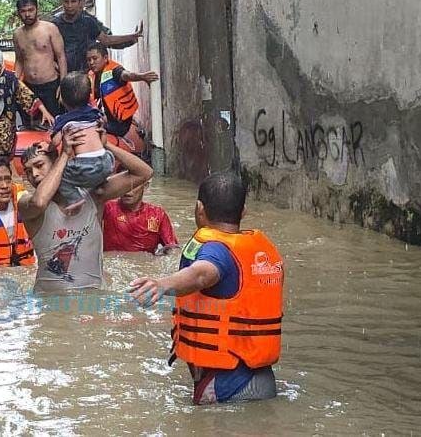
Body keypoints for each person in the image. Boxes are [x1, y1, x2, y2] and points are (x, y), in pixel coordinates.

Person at [128, 172, 284, 405]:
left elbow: (202, 274)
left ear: (199, 208)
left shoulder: (216, 251)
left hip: (228, 388)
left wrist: (162, 284)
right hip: (259, 378)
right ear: (243, 212)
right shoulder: (259, 251)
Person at [16, 129, 153, 292]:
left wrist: (106, 145)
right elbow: (39, 202)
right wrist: (65, 155)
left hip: (93, 299)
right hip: (49, 303)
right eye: (28, 171)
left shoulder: (93, 195)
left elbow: (145, 173)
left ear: (55, 163)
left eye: (39, 166)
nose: (35, 175)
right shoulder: (26, 204)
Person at [49, 72, 114, 209]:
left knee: (59, 175)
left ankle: (75, 199)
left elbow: (55, 142)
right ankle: (100, 185)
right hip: (107, 162)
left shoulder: (63, 120)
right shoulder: (95, 113)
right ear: (89, 95)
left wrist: (48, 149)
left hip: (84, 165)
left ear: (63, 99)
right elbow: (104, 125)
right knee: (101, 158)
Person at [52, 0, 142, 73]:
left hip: (87, 72)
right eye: (66, 2)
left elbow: (106, 40)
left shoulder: (88, 22)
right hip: (62, 73)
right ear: (62, 2)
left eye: (73, 1)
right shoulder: (55, 24)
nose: (69, 5)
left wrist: (131, 37)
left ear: (80, 2)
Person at [86, 42, 159, 137]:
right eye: (89, 60)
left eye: (95, 58)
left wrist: (141, 77)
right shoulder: (92, 75)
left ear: (105, 58)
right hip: (107, 118)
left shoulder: (114, 70)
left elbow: (126, 75)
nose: (91, 62)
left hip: (120, 125)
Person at [13, 0, 68, 118]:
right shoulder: (17, 34)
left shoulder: (50, 29)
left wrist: (62, 84)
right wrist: (14, 84)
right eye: (23, 11)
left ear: (37, 9)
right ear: (18, 13)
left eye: (31, 10)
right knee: (30, 126)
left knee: (53, 124)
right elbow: (20, 60)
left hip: (50, 86)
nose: (27, 14)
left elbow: (61, 57)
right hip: (28, 87)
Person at [102, 181, 179, 255]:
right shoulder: (106, 208)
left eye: (134, 185)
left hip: (145, 266)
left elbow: (172, 249)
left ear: (145, 185)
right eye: (124, 184)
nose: (127, 191)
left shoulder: (158, 214)